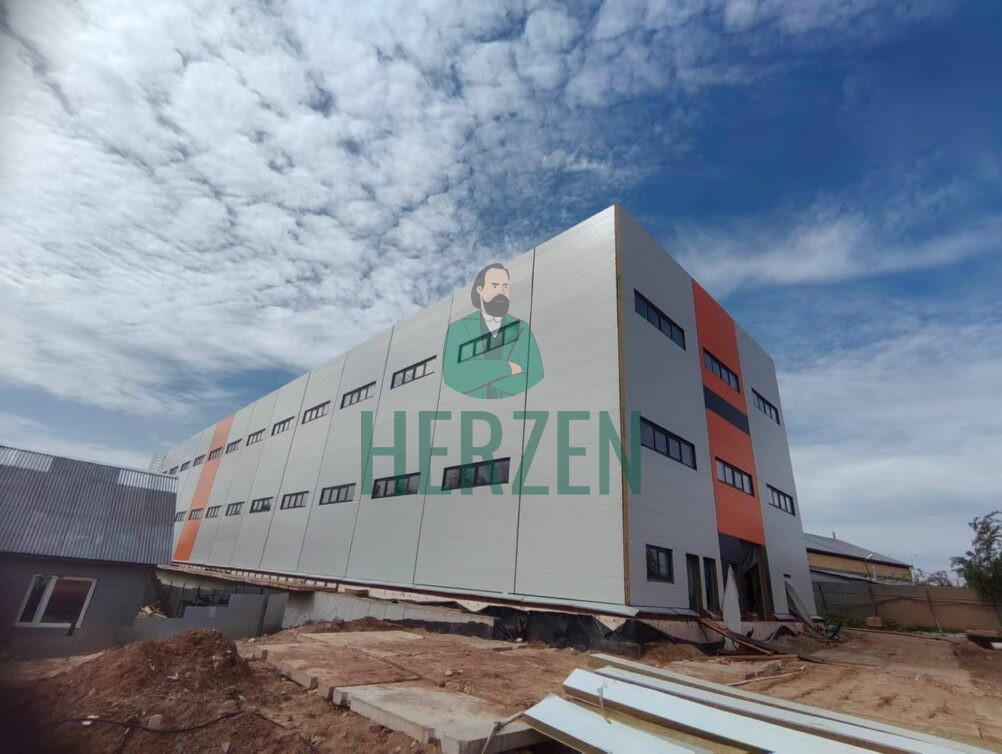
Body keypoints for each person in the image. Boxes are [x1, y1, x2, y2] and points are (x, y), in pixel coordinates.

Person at [442, 263, 543, 399]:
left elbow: (535, 375)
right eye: (495, 286)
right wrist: (508, 368)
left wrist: (481, 376)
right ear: (480, 289)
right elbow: (452, 375)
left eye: (505, 287)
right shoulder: (458, 328)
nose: (501, 292)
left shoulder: (521, 327)